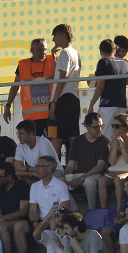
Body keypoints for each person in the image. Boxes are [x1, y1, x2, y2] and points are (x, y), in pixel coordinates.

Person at [3, 36, 56, 137]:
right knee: (34, 146)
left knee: (52, 144)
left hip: (51, 115)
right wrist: (8, 106)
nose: (43, 53)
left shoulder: (53, 60)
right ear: (31, 50)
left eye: (45, 49)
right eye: (39, 50)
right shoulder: (23, 65)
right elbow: (15, 87)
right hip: (32, 118)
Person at [64, 112, 111, 210]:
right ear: (87, 127)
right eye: (96, 127)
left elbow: (100, 166)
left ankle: (91, 210)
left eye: (101, 126)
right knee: (59, 183)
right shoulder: (77, 141)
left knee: (89, 182)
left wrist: (82, 178)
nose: (100, 130)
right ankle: (73, 210)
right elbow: (70, 165)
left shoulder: (104, 142)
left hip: (96, 174)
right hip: (79, 174)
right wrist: (66, 177)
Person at [28, 156, 73, 253]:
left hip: (55, 218)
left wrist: (49, 218)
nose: (36, 169)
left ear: (49, 168)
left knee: (53, 221)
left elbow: (65, 209)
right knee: (21, 227)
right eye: (36, 166)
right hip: (41, 220)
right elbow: (32, 210)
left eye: (39, 166)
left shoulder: (60, 185)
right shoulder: (34, 186)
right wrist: (34, 222)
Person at [49, 23, 82, 157]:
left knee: (55, 137)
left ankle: (55, 170)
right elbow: (59, 72)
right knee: (72, 136)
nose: (53, 40)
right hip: (74, 98)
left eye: (55, 36)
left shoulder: (65, 52)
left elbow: (63, 76)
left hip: (63, 99)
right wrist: (53, 57)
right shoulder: (75, 53)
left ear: (63, 36)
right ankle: (75, 166)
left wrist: (54, 103)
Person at [86, 38, 128, 137]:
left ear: (101, 52)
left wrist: (92, 104)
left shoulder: (103, 62)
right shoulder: (125, 63)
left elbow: (100, 86)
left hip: (108, 104)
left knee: (104, 136)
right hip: (122, 104)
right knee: (121, 135)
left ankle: (108, 153)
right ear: (114, 51)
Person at [104, 114, 128, 213]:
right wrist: (114, 145)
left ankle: (119, 207)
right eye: (113, 126)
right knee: (101, 180)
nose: (114, 129)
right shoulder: (114, 140)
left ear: (126, 126)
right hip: (117, 169)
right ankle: (103, 209)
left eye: (117, 126)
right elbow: (112, 162)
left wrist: (122, 144)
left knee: (118, 179)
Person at [11, 118, 60, 183]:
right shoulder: (20, 147)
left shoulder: (43, 142)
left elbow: (47, 169)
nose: (18, 136)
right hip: (35, 175)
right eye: (18, 134)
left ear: (31, 134)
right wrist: (32, 173)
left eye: (21, 134)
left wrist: (27, 168)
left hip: (55, 175)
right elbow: (17, 171)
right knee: (19, 178)